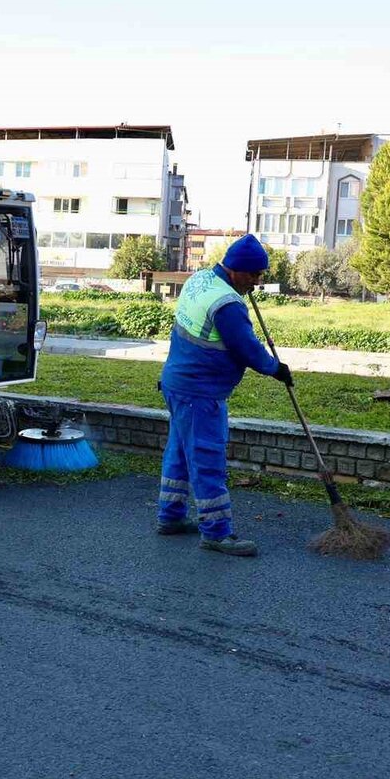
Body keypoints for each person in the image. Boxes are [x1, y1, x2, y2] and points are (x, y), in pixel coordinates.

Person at [156, 234, 294, 557]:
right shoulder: (228, 305)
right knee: (207, 459)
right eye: (254, 275)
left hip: (176, 383)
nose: (257, 283)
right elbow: (247, 349)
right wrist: (277, 369)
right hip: (200, 393)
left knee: (179, 453)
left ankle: (170, 516)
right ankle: (217, 532)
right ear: (237, 270)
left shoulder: (200, 280)